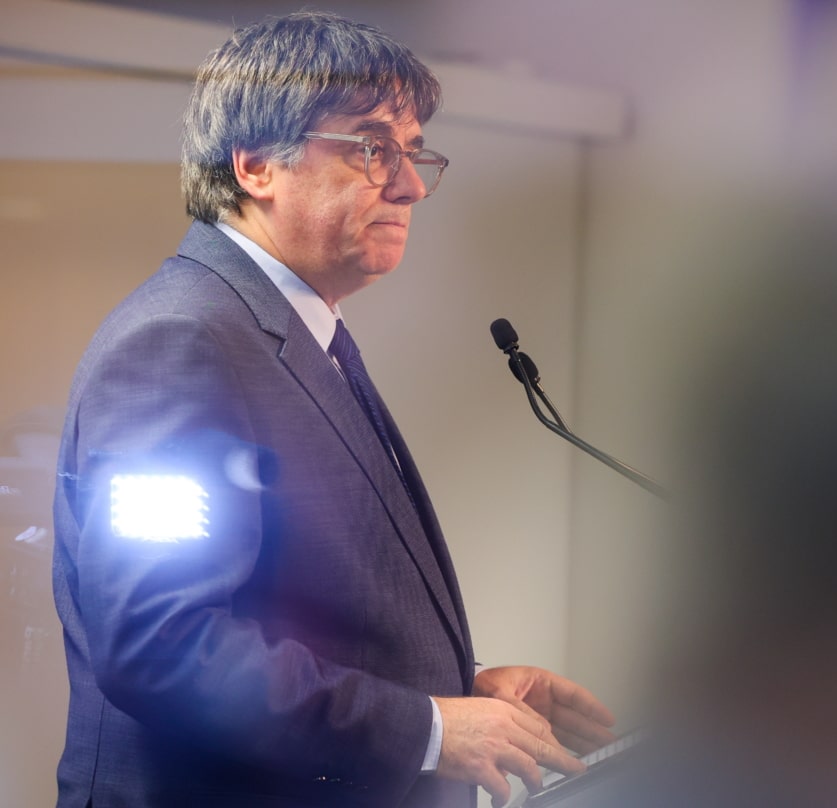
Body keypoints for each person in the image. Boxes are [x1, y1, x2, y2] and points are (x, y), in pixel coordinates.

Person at [50, 12, 614, 808]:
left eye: (413, 153)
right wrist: (428, 729)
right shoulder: (178, 346)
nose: (411, 184)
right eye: (372, 148)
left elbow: (298, 608)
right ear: (254, 165)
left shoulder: (290, 332)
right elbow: (162, 644)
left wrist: (459, 691)